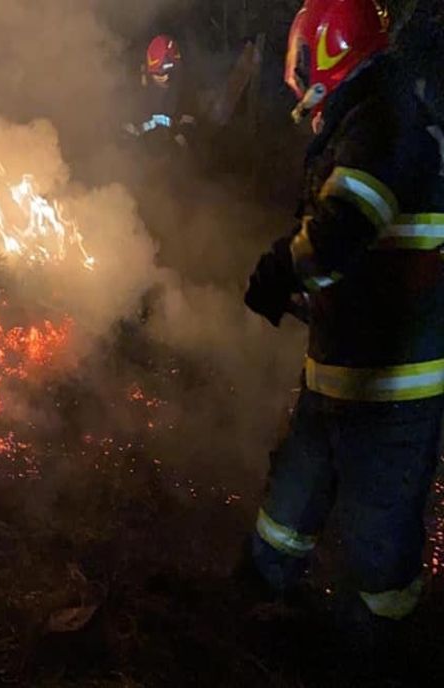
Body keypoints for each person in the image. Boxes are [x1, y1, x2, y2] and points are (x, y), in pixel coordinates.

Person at [243, 0, 444, 631]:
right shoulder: (369, 118)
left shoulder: (385, 121)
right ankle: (256, 599)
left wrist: (283, 268)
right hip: (340, 369)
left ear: (324, 53)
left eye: (302, 64)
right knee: (291, 499)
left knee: (377, 533)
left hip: (393, 388)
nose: (297, 83)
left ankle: (382, 646)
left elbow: (345, 224)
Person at [124, 34, 197, 150]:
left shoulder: (183, 88)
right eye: (160, 74)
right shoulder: (135, 89)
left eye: (171, 72)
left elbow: (188, 121)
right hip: (141, 150)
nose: (166, 77)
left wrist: (179, 129)